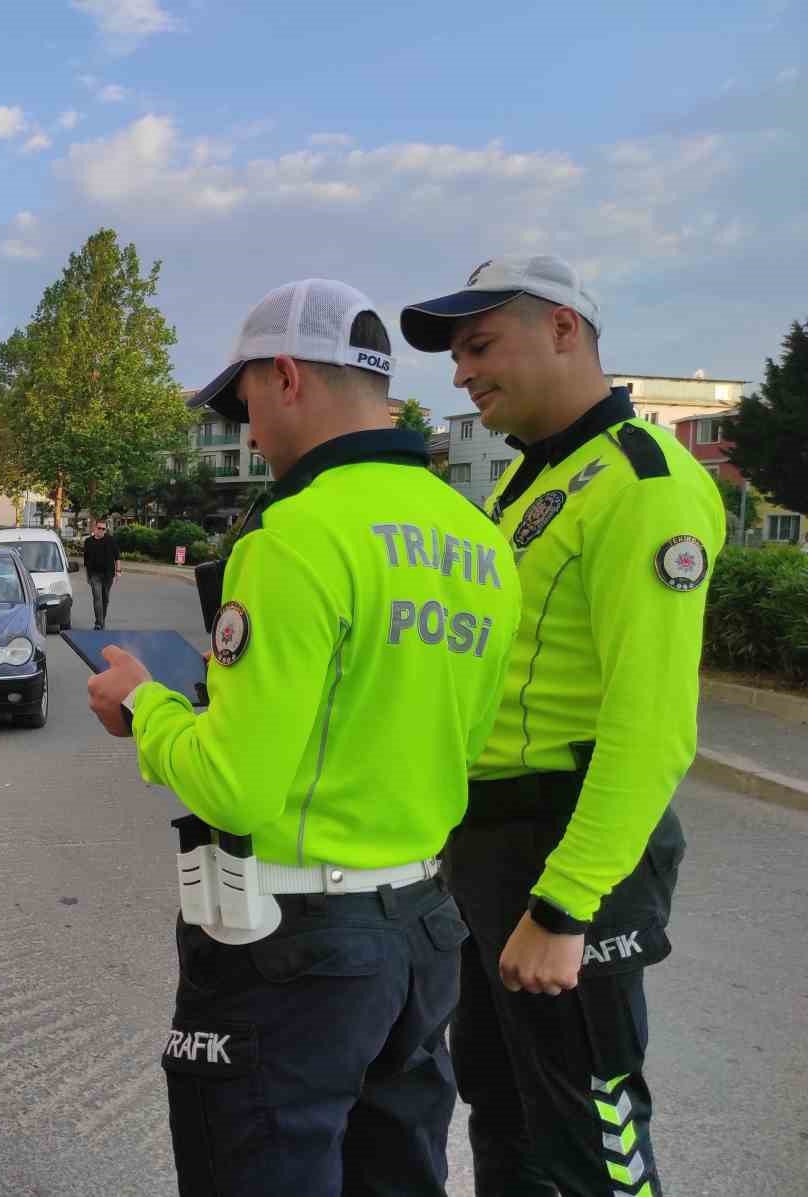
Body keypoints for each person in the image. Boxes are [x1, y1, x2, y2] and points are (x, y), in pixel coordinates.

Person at [87, 279, 520, 1195]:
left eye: (246, 405)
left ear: (284, 376)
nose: (250, 433)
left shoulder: (293, 535)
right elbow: (463, 739)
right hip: (418, 929)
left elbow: (235, 786)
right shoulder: (478, 537)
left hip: (292, 948)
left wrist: (148, 708)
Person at [401, 254, 726, 1196]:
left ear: (563, 330)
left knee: (593, 1137)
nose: (460, 372)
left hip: (569, 851)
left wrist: (565, 903)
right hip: (491, 850)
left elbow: (654, 723)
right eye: (456, 354)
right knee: (504, 1112)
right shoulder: (533, 484)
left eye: (479, 344)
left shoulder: (643, 481)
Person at [81, 519, 121, 628]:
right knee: (97, 598)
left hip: (108, 575)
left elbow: (117, 557)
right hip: (94, 575)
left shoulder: (110, 540)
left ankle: (101, 620)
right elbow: (86, 561)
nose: (102, 531)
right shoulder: (88, 542)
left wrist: (118, 571)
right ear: (94, 528)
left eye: (104, 529)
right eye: (99, 528)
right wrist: (87, 576)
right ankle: (99, 623)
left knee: (105, 599)